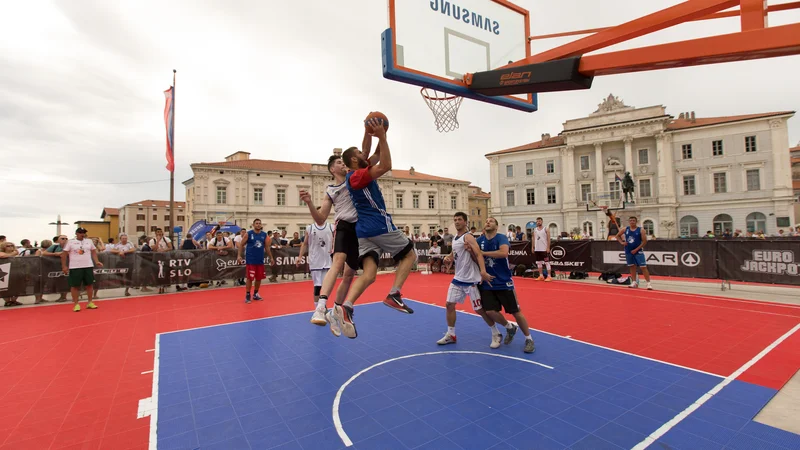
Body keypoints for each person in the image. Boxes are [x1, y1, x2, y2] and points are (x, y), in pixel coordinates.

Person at [333, 118, 416, 339]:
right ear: (353, 159)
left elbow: (372, 152)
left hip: (364, 232)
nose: (364, 153)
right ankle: (394, 294)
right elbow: (386, 165)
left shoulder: (358, 170)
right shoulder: (359, 175)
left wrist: (374, 133)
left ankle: (347, 306)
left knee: (369, 275)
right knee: (410, 254)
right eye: (360, 153)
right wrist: (381, 136)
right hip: (378, 225)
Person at [299, 153, 359, 335]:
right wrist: (310, 203)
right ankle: (321, 307)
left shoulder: (354, 178)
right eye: (339, 163)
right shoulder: (330, 191)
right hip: (343, 226)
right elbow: (320, 219)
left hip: (360, 228)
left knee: (350, 274)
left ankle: (335, 311)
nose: (343, 164)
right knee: (338, 263)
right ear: (333, 169)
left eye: (344, 162)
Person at [436, 212, 507, 348]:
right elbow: (455, 252)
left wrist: (483, 271)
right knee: (449, 304)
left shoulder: (468, 237)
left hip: (471, 280)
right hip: (458, 278)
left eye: (459, 220)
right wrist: (449, 257)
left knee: (480, 310)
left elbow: (478, 254)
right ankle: (451, 334)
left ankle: (496, 333)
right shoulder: (456, 238)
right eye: (455, 219)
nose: (456, 222)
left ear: (465, 222)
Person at [477, 217, 535, 353]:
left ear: (496, 226)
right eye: (487, 220)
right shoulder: (479, 241)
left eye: (491, 221)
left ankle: (529, 339)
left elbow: (504, 253)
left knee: (516, 312)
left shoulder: (501, 238)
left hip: (504, 281)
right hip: (488, 283)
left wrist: (483, 253)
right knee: (490, 311)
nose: (487, 222)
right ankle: (509, 327)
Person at [297, 221, 334, 324]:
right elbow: (304, 244)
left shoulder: (332, 227)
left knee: (327, 286)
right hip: (315, 261)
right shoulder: (309, 228)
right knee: (318, 286)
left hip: (328, 261)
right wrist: (300, 257)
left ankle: (322, 306)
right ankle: (317, 309)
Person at [61, 228, 103, 312]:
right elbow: (64, 254)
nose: (82, 234)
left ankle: (90, 302)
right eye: (80, 232)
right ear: (76, 233)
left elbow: (93, 251)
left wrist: (97, 261)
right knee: (75, 285)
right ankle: (76, 304)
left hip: (88, 266)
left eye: (83, 232)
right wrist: (64, 266)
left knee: (90, 284)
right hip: (75, 267)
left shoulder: (89, 241)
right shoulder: (70, 242)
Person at [237, 219, 273, 303]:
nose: (258, 225)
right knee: (250, 278)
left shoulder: (264, 235)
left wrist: (271, 257)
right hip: (251, 260)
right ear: (253, 225)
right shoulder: (248, 234)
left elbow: (267, 247)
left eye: (259, 223)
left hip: (260, 260)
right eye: (256, 223)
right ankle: (248, 294)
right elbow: (241, 245)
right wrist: (239, 256)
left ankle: (256, 294)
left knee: (259, 278)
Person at [616, 216, 653, 290]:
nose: (632, 222)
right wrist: (622, 242)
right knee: (632, 266)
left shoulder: (641, 230)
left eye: (633, 220)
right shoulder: (625, 229)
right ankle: (634, 282)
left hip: (638, 250)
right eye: (631, 220)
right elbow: (617, 236)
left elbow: (644, 241)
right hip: (628, 250)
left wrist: (636, 249)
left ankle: (648, 283)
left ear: (636, 221)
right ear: (629, 222)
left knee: (643, 267)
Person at [532, 217, 553, 282]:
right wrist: (533, 247)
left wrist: (548, 247)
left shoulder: (546, 229)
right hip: (537, 249)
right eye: (537, 221)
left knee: (547, 262)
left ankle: (549, 276)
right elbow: (533, 239)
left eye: (540, 221)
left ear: (542, 221)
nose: (538, 222)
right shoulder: (535, 230)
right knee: (538, 263)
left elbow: (548, 238)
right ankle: (541, 276)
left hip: (544, 249)